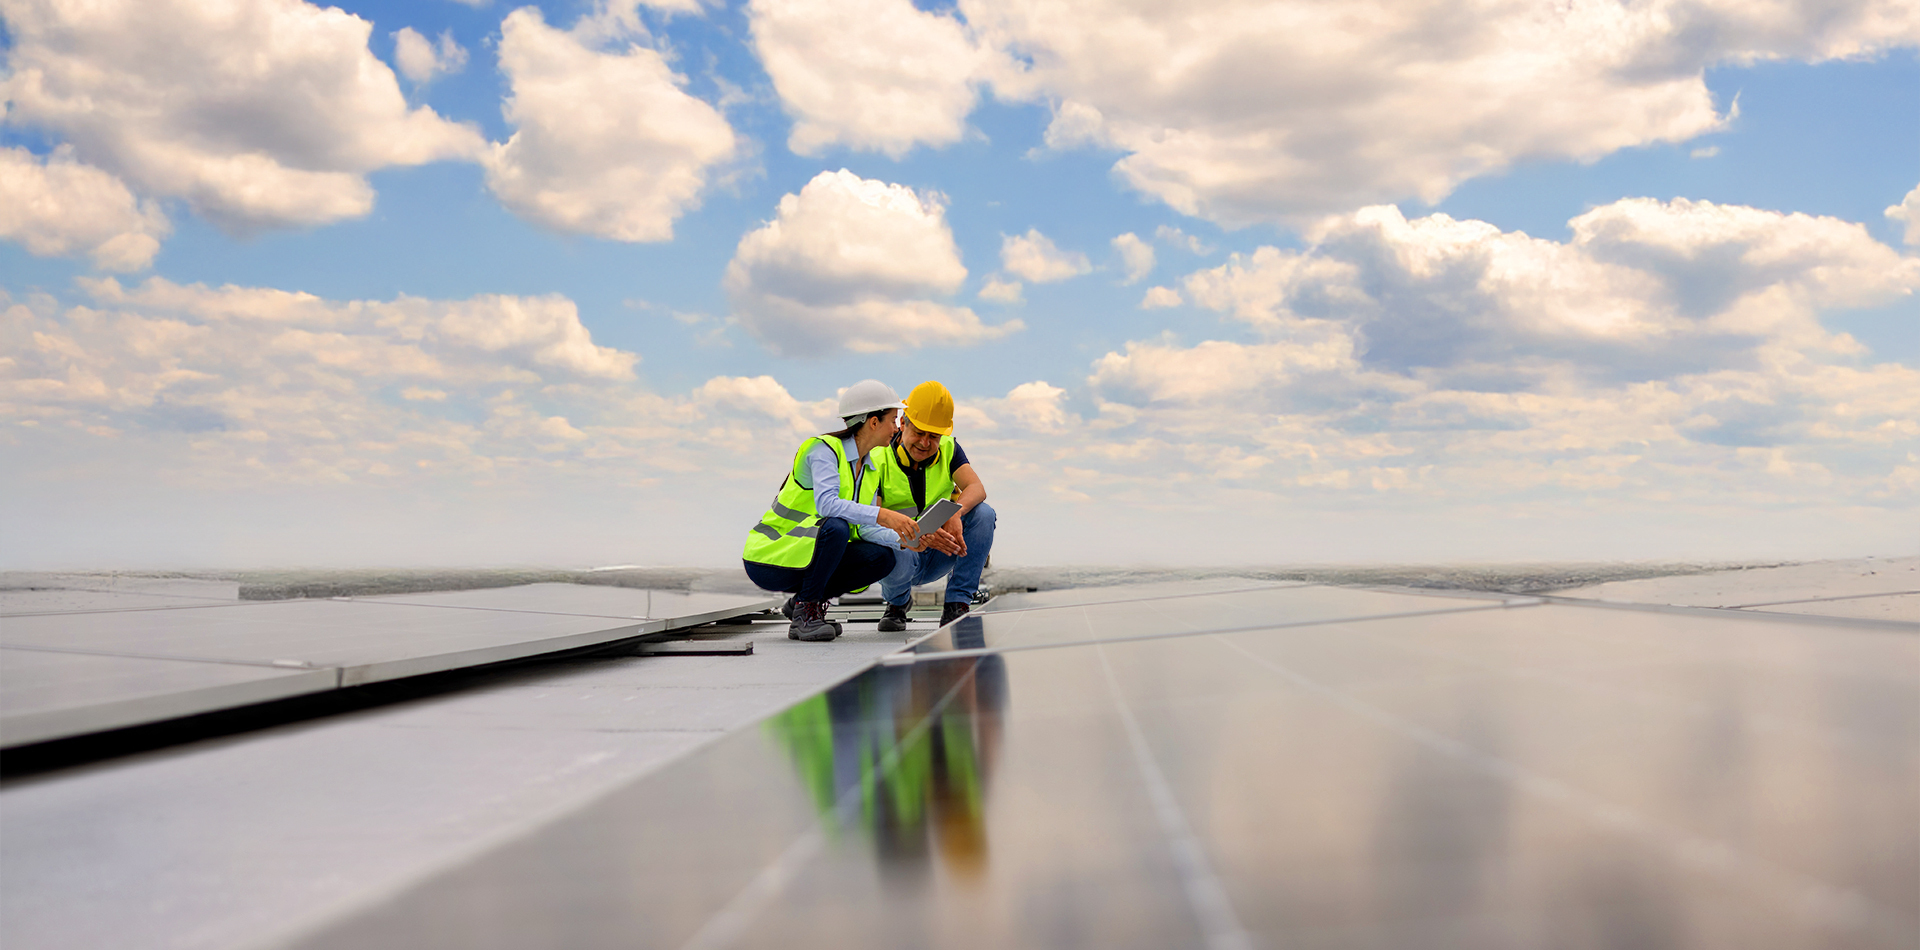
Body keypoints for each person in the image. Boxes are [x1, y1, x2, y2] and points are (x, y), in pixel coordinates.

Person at [741, 380, 922, 641]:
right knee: (835, 526)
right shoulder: (822, 450)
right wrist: (885, 515)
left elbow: (864, 527)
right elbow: (828, 504)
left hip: (805, 557)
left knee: (883, 558)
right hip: (771, 558)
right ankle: (806, 616)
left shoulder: (869, 468)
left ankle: (805, 603)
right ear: (873, 422)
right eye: (893, 420)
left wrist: (906, 539)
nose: (896, 428)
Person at [869, 380, 996, 631]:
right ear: (902, 423)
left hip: (940, 550)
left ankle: (956, 604)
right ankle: (897, 604)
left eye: (934, 436)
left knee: (983, 514)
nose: (925, 443)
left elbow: (976, 489)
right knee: (894, 548)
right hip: (902, 553)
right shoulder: (877, 456)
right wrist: (913, 535)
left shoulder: (949, 449)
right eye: (919, 432)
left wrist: (956, 513)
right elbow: (873, 521)